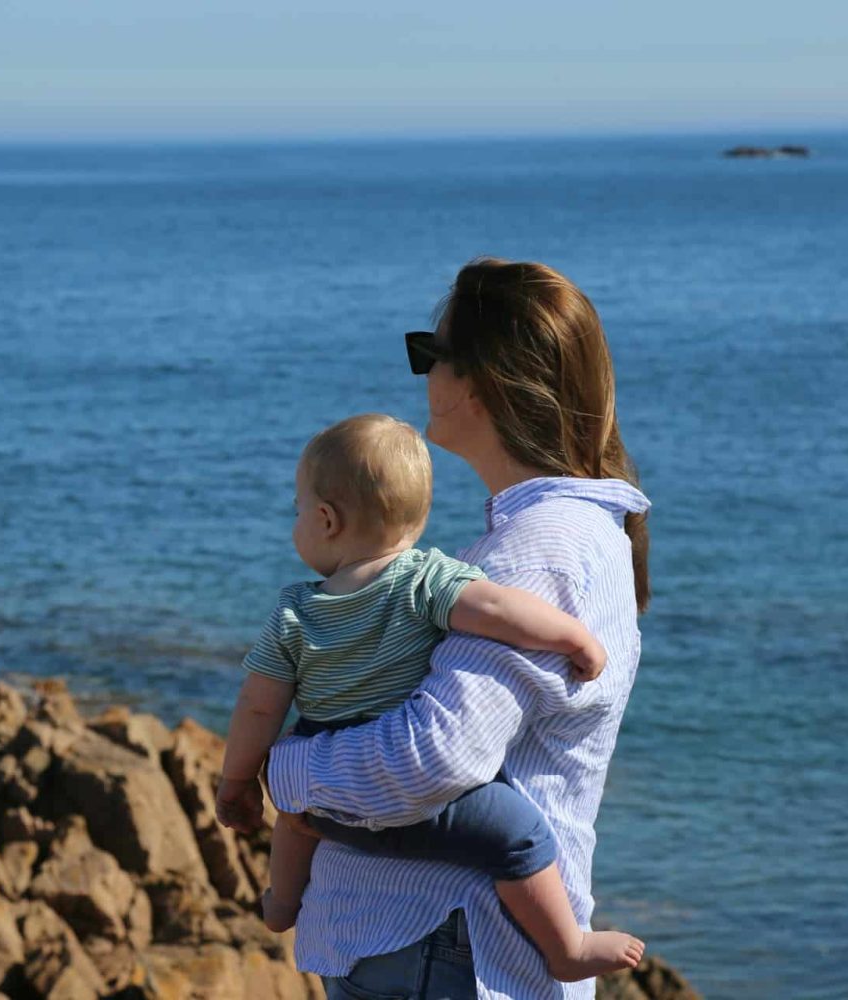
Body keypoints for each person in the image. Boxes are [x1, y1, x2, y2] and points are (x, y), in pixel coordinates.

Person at [264, 258, 652, 1000]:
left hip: (438, 946)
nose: (423, 378)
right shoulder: (568, 535)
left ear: (482, 380)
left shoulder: (538, 550)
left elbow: (434, 758)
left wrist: (287, 773)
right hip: (441, 949)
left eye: (429, 354)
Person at [215, 413, 644, 981]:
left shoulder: (295, 613)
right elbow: (497, 611)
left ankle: (281, 905)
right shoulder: (426, 580)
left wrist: (238, 781)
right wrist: (570, 636)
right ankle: (565, 946)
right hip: (427, 812)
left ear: (325, 519)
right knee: (520, 836)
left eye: (298, 510)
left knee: (295, 821)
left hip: (334, 790)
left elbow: (259, 708)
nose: (296, 521)